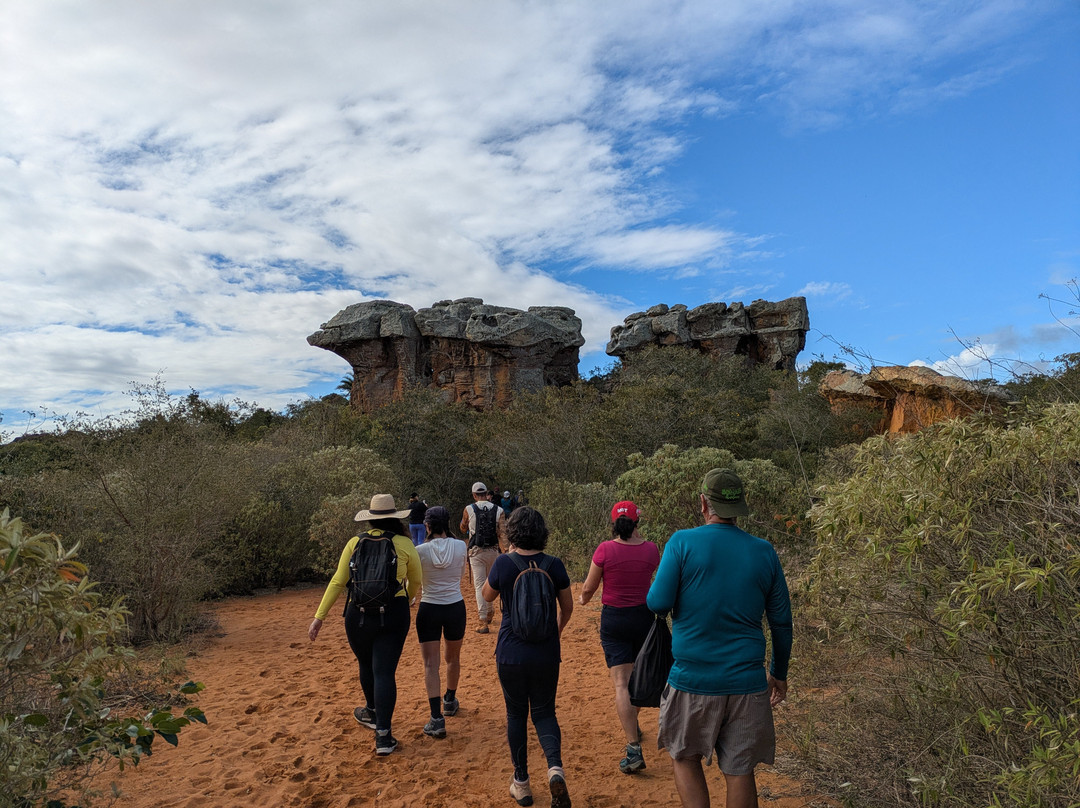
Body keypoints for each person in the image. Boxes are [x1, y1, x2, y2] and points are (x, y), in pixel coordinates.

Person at [646, 469, 793, 808]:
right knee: (740, 769)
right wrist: (779, 673)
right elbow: (782, 622)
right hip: (747, 682)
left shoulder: (682, 543)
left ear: (703, 503)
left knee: (683, 756)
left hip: (692, 679)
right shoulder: (764, 551)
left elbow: (658, 603)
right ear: (741, 506)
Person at [308, 493, 422, 756]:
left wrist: (319, 617)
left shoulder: (354, 543)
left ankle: (371, 711)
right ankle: (384, 736)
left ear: (370, 519)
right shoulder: (404, 543)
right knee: (384, 672)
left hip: (356, 617)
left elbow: (338, 581)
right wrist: (410, 596)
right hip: (393, 614)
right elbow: (416, 579)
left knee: (365, 664)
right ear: (395, 517)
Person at [482, 507, 574, 808]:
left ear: (513, 532)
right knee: (546, 713)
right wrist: (554, 633)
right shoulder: (554, 564)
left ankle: (521, 783)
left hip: (511, 652)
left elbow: (486, 595)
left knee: (516, 715)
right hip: (546, 652)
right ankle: (555, 769)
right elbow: (568, 607)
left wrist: (506, 557)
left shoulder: (505, 564)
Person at [578, 500, 660, 774]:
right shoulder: (651, 550)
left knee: (621, 684)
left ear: (614, 523)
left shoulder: (605, 549)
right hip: (644, 618)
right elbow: (658, 583)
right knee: (638, 679)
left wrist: (582, 599)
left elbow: (590, 587)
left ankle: (633, 747)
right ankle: (634, 724)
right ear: (638, 522)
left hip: (614, 619)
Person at [414, 505, 467, 739]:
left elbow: (415, 580)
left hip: (429, 608)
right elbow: (461, 572)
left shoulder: (420, 551)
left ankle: (436, 718)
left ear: (427, 526)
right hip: (455, 606)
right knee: (453, 658)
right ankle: (450, 699)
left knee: (430, 664)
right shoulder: (461, 546)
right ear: (447, 523)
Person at [460, 481, 506, 634]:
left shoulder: (468, 509)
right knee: (490, 581)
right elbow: (502, 533)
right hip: (493, 551)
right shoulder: (499, 510)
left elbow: (463, 527)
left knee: (479, 585)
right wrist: (506, 551)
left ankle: (482, 620)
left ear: (474, 495)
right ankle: (491, 610)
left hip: (476, 552)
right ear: (487, 493)